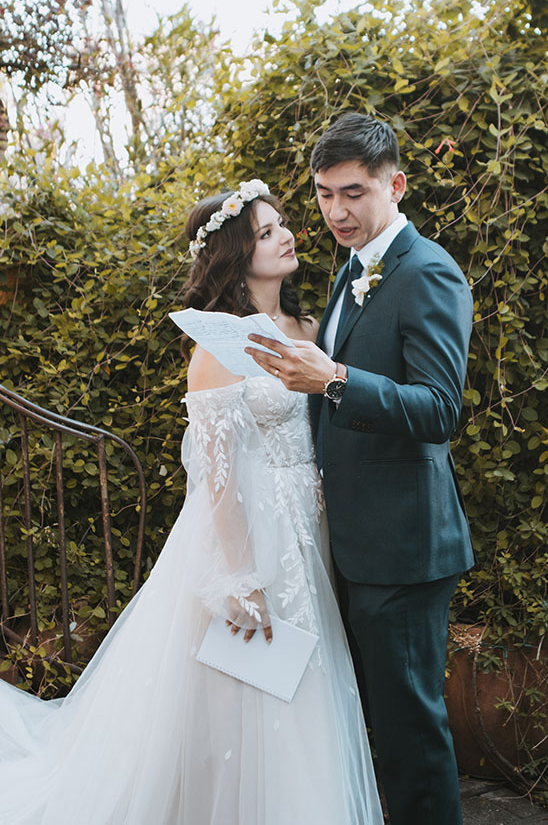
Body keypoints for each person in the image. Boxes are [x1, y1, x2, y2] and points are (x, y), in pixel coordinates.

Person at [0, 179, 384, 825]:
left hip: (305, 525)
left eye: (283, 223)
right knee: (251, 685)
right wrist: (241, 577)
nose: (287, 234)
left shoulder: (310, 326)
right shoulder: (217, 348)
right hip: (248, 535)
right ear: (238, 255)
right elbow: (218, 475)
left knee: (310, 676)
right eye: (266, 232)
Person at [246, 114, 475, 825]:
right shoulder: (349, 273)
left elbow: (440, 410)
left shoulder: (429, 272)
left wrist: (337, 377)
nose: (336, 212)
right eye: (322, 195)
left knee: (411, 740)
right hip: (349, 545)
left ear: (394, 185)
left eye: (352, 193)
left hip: (404, 550)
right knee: (378, 732)